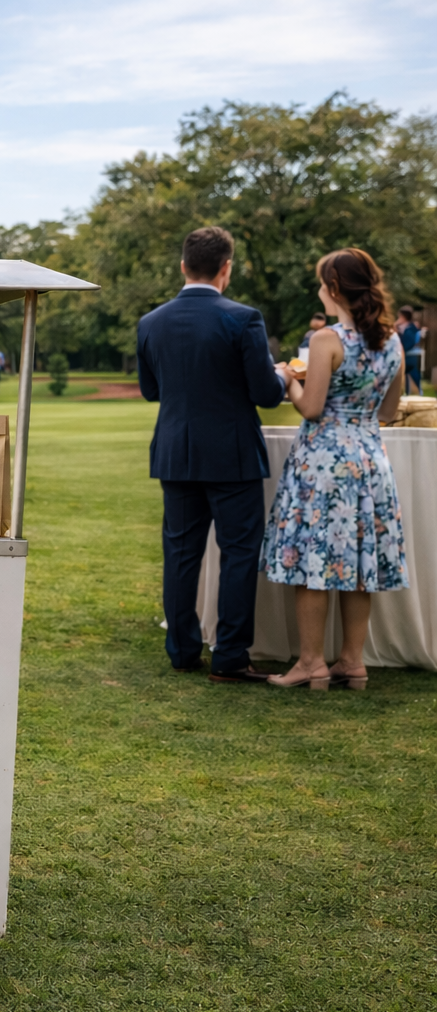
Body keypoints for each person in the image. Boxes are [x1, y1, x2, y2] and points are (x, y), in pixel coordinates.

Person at [137, 225, 288, 683]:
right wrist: (281, 375)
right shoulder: (243, 318)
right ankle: (230, 656)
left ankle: (183, 650)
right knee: (239, 553)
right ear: (226, 268)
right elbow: (265, 394)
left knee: (181, 553)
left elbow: (150, 391)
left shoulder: (151, 322)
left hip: (176, 451)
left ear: (183, 266)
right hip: (232, 453)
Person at [261, 249, 407, 690]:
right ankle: (352, 661)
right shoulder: (393, 340)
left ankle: (310, 663)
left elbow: (312, 408)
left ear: (336, 288)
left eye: (323, 283)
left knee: (314, 560)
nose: (320, 291)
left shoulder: (327, 340)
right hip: (369, 459)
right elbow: (390, 409)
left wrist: (287, 377)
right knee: (357, 562)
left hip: (324, 462)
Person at [395, 305, 423, 395]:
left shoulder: (410, 328)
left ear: (403, 316)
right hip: (406, 355)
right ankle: (406, 392)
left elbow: (409, 343)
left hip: (410, 356)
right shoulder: (402, 327)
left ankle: (418, 392)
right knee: (405, 376)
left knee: (413, 375)